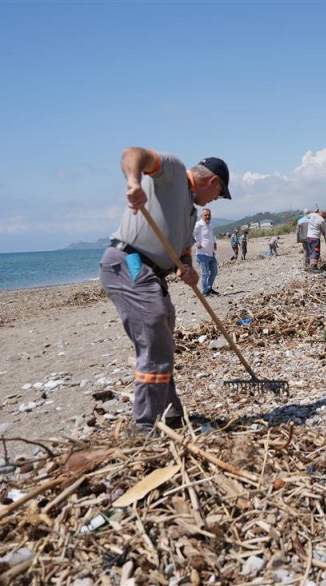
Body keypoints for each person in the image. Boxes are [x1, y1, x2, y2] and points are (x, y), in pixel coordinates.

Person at [99, 147, 231, 433]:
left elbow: (183, 249)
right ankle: (145, 425)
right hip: (130, 261)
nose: (214, 201)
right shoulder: (172, 172)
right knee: (155, 328)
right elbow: (132, 154)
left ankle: (171, 412)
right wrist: (134, 183)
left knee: (162, 332)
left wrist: (187, 267)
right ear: (213, 182)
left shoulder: (189, 211)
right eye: (218, 195)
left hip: (151, 272)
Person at [194, 208, 219, 296]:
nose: (207, 216)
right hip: (202, 254)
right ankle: (205, 291)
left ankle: (209, 288)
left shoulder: (209, 225)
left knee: (214, 271)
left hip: (211, 253)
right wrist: (197, 244)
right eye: (205, 215)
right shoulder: (198, 224)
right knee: (205, 273)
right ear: (201, 216)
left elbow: (212, 235)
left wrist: (215, 242)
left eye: (209, 215)